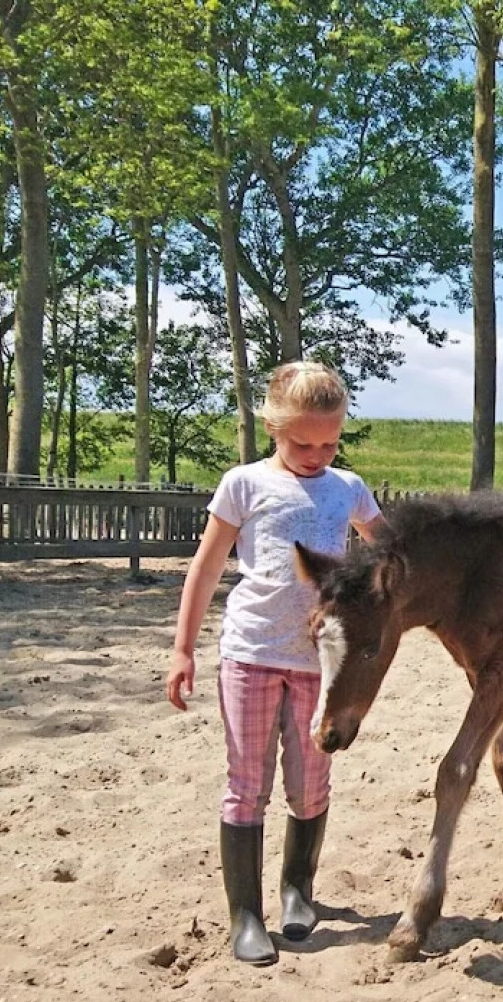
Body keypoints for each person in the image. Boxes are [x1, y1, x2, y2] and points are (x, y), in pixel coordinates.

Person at [165, 361, 386, 965]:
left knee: (311, 782)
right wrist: (183, 648)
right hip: (251, 654)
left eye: (329, 442)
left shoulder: (349, 489)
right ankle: (244, 916)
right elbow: (207, 566)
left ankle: (297, 888)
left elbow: (392, 555)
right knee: (246, 784)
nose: (317, 453)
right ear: (271, 427)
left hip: (320, 665)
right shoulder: (243, 484)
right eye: (302, 442)